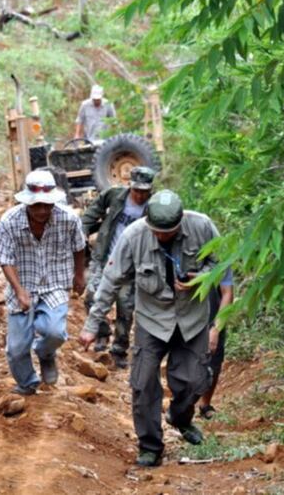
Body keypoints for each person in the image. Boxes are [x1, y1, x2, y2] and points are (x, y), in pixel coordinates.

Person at [78, 190, 220, 467]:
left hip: (191, 319)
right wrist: (92, 324)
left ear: (180, 222)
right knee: (142, 384)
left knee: (194, 381)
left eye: (169, 232)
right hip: (152, 320)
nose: (162, 236)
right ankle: (150, 446)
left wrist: (201, 278)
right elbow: (111, 280)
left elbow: (221, 265)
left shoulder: (202, 226)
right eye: (157, 231)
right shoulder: (133, 236)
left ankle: (180, 418)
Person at [0, 170, 86, 395]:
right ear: (26, 203)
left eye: (47, 205)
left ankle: (45, 354)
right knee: (16, 349)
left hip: (54, 282)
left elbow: (79, 246)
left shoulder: (68, 219)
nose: (42, 211)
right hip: (23, 283)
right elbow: (4, 259)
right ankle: (27, 384)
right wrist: (19, 290)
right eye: (37, 206)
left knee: (54, 332)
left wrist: (79, 275)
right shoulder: (9, 222)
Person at [82, 166, 156, 369]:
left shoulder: (154, 207)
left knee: (125, 308)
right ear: (129, 185)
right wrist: (81, 233)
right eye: (137, 190)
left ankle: (119, 349)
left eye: (145, 192)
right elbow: (90, 214)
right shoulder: (114, 196)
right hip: (106, 257)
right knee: (91, 297)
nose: (140, 195)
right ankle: (102, 332)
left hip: (133, 266)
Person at [198, 267, 234, 419]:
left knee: (214, 358)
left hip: (213, 314)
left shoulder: (221, 259)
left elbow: (228, 293)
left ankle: (205, 404)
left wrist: (216, 328)